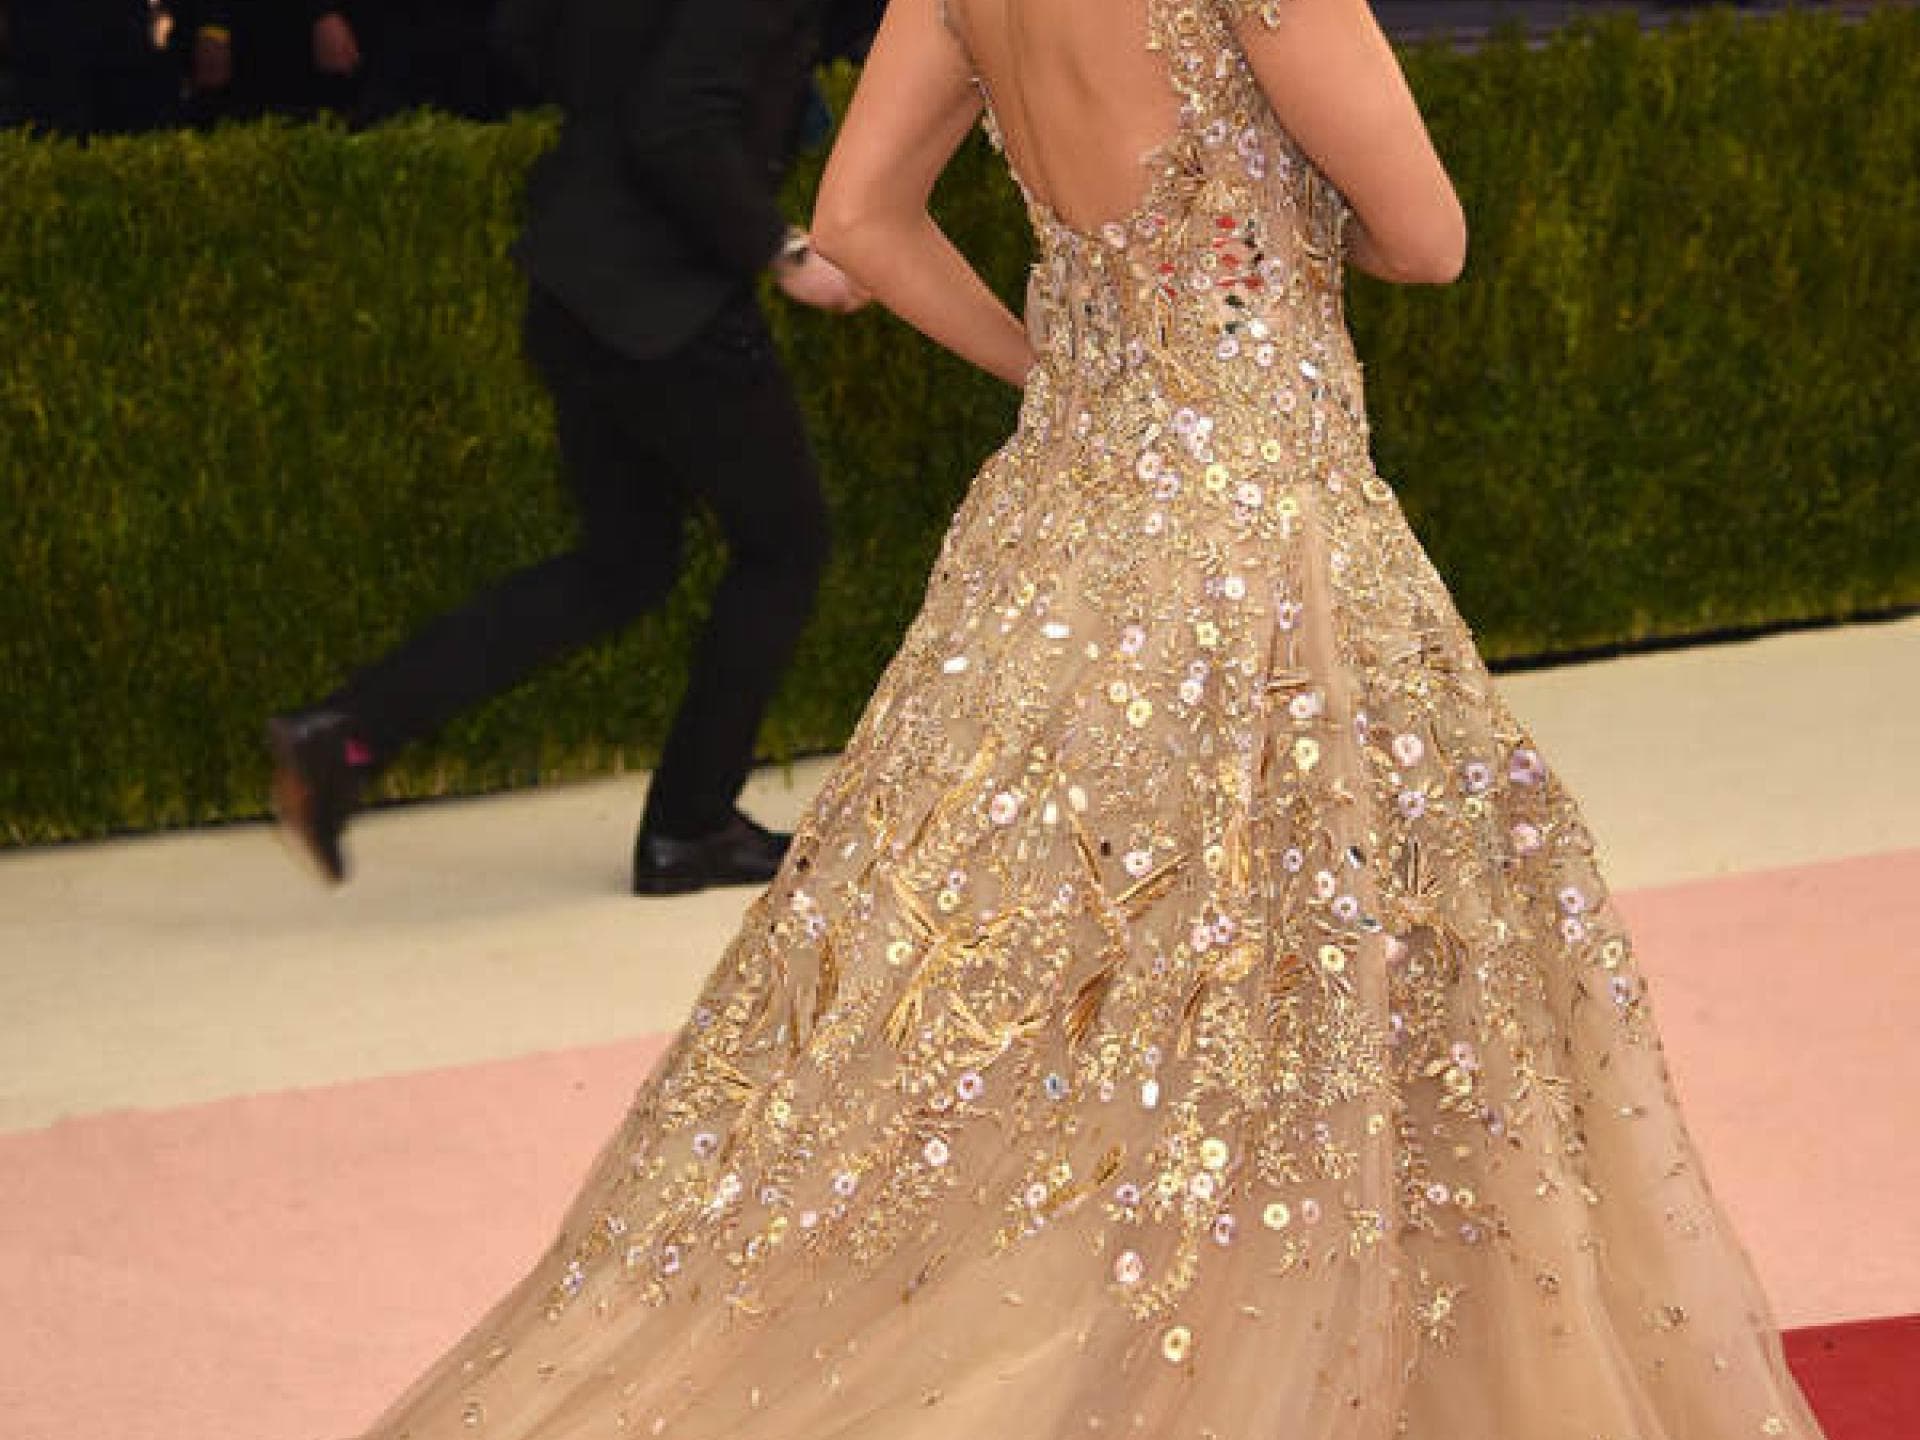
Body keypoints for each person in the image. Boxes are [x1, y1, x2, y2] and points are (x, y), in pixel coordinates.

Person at [336, 0, 1831, 1434]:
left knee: (1017, 1006)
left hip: (1059, 524)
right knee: (1329, 989)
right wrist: (1281, 252)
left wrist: (1059, 369)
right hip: (1265, 538)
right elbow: (1428, 240)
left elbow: (859, 220)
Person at [268, 0, 869, 895]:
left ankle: (347, 733)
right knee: (785, 548)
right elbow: (680, 123)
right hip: (667, 303)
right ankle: (690, 825)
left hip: (581, 290)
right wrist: (783, 249)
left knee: (621, 565)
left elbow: (528, 33)